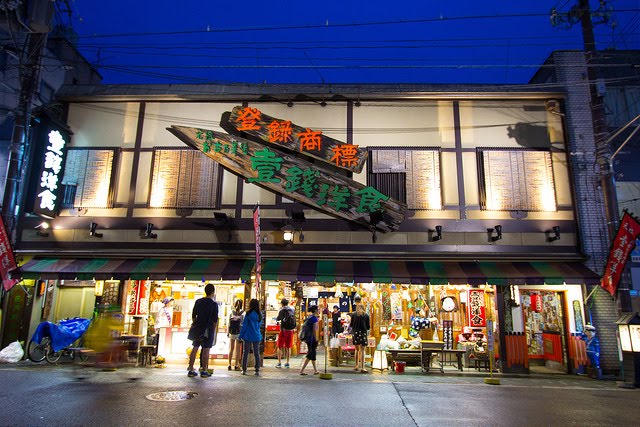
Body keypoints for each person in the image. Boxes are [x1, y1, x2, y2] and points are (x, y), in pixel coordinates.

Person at [186, 284, 218, 378]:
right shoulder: (213, 304)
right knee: (206, 349)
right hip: (208, 329)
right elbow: (215, 320)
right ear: (213, 292)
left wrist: (196, 324)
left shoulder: (198, 302)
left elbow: (193, 315)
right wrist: (213, 330)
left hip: (198, 328)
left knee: (195, 347)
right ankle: (204, 370)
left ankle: (191, 368)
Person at [239, 298, 263, 376]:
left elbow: (244, 325)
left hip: (248, 335)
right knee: (256, 353)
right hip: (256, 335)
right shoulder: (259, 315)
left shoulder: (248, 314)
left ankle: (244, 369)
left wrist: (240, 336)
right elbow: (259, 325)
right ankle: (257, 369)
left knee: (245, 352)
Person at [350, 303, 370, 373]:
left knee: (356, 350)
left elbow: (351, 325)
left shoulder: (353, 315)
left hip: (355, 333)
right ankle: (363, 367)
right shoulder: (366, 315)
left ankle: (356, 366)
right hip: (363, 333)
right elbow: (368, 327)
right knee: (363, 350)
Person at [300, 305, 320, 375]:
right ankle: (302, 370)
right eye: (318, 309)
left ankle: (315, 370)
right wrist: (316, 339)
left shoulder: (309, 318)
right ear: (315, 310)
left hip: (308, 338)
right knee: (310, 353)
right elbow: (315, 330)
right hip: (312, 338)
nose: (319, 310)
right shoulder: (314, 319)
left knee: (312, 353)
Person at [275, 298, 295, 368]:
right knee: (288, 347)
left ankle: (279, 362)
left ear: (282, 303)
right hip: (290, 330)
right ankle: (287, 362)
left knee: (279, 346)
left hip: (283, 330)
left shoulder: (281, 310)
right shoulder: (292, 309)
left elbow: (278, 319)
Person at [227, 299, 244, 371]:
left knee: (231, 348)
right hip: (239, 333)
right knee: (237, 349)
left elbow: (229, 323)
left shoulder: (231, 313)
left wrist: (228, 332)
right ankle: (236, 364)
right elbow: (242, 324)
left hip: (232, 332)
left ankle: (229, 364)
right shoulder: (242, 314)